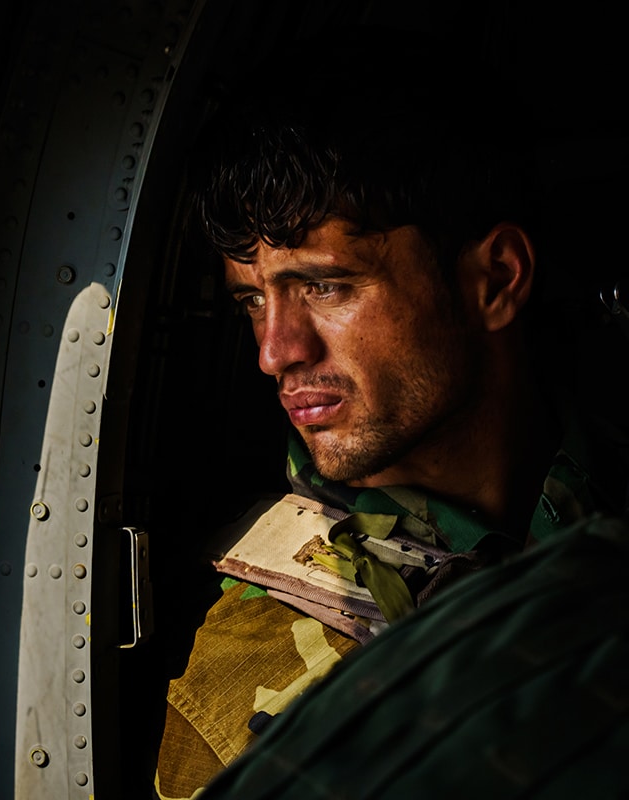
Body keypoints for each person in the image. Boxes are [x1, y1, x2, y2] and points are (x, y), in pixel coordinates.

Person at [153, 29, 629, 800]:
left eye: (328, 286)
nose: (275, 351)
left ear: (496, 281)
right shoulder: (254, 680)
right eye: (251, 300)